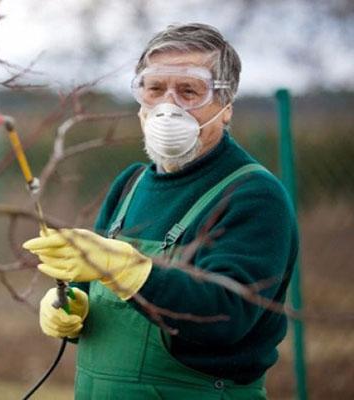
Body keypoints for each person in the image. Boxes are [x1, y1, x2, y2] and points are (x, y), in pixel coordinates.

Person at [23, 23, 298, 399]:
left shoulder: (253, 195)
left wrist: (128, 269)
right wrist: (72, 305)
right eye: (154, 89)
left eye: (189, 91)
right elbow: (93, 288)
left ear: (226, 106)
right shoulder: (131, 184)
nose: (168, 107)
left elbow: (225, 316)